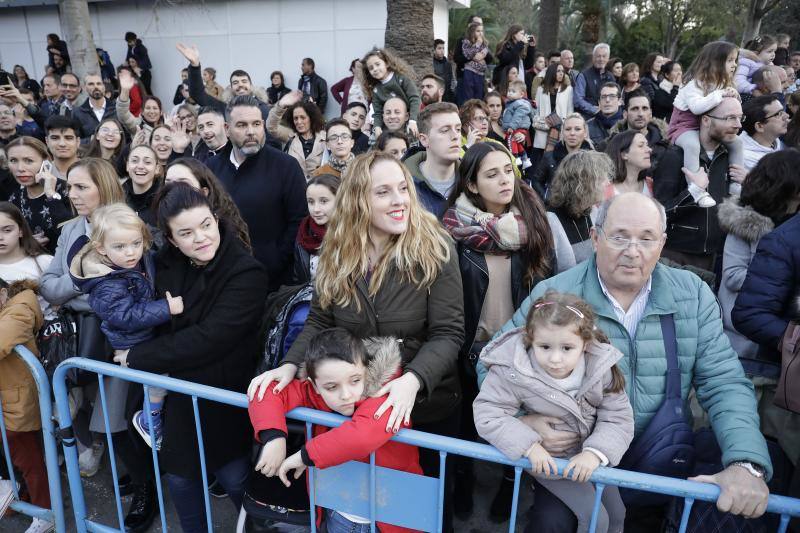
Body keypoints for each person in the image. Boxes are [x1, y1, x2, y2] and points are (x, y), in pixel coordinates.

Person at [493, 192, 772, 532]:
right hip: (576, 463)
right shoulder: (554, 295)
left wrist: (746, 461)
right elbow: (495, 365)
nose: (632, 251)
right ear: (596, 238)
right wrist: (525, 421)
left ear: (662, 243)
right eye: (620, 236)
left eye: (646, 239)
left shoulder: (692, 295)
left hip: (660, 458)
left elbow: (723, 382)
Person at [248, 151, 464, 532]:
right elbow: (319, 318)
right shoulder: (336, 252)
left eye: (403, 188)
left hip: (427, 406)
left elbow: (448, 333)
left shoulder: (436, 248)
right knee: (359, 501)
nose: (399, 200)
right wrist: (288, 366)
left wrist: (411, 381)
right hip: (357, 399)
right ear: (359, 200)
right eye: (384, 192)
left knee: (421, 513)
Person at [112, 183, 268, 533]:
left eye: (206, 225)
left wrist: (139, 355)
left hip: (223, 392)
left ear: (216, 218)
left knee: (235, 479)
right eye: (186, 232)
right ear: (171, 238)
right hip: (180, 396)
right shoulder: (164, 264)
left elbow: (211, 338)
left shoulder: (246, 271)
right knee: (182, 481)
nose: (200, 237)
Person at [441, 141, 558, 517]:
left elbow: (549, 286)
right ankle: (459, 488)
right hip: (469, 347)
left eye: (508, 170)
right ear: (472, 185)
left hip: (519, 351)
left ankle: (508, 493)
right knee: (462, 429)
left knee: (518, 426)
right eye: (492, 174)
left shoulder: (534, 224)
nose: (505, 180)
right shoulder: (453, 232)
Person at [39, 159, 157, 530]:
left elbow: (134, 296)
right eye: (69, 187)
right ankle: (141, 477)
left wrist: (88, 292)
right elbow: (50, 285)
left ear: (103, 187)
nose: (70, 195)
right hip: (83, 342)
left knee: (115, 424)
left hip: (123, 346)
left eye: (79, 187)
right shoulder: (71, 229)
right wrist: (86, 282)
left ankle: (146, 490)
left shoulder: (131, 227)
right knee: (98, 417)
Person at [475, 290, 634, 533]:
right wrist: (530, 446)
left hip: (590, 457)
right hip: (551, 463)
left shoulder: (600, 366)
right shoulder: (514, 369)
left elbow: (618, 417)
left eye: (567, 348)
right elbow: (488, 411)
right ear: (530, 339)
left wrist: (595, 453)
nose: (555, 358)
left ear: (586, 343)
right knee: (595, 520)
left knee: (617, 515)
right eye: (545, 346)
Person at [248, 328, 424, 533]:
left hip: (392, 517)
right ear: (314, 385)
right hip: (340, 511)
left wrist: (304, 456)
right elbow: (266, 392)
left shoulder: (388, 392)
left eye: (355, 380)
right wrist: (274, 437)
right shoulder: (313, 392)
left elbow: (362, 436)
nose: (346, 394)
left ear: (366, 371)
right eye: (332, 387)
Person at [67, 203, 182, 450]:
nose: (130, 252)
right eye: (119, 247)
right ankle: (149, 420)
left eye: (136, 243)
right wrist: (166, 308)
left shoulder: (135, 261)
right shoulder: (106, 282)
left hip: (147, 333)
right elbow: (125, 316)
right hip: (131, 340)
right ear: (101, 248)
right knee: (159, 381)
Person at [206, 95, 307, 289]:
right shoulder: (210, 169)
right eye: (242, 125)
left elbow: (299, 219)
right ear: (227, 130)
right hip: (222, 277)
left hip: (274, 282)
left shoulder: (285, 166)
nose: (251, 132)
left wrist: (276, 259)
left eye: (256, 124)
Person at [718, 149, 800, 369]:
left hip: (781, 332)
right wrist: (783, 277)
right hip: (744, 335)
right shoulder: (748, 220)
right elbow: (732, 275)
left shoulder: (793, 223)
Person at [656, 94, 747, 271]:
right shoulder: (676, 156)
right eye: (730, 118)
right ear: (705, 120)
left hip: (719, 255)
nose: (738, 124)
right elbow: (659, 213)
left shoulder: (731, 158)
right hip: (678, 257)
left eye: (740, 117)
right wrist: (695, 191)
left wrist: (749, 185)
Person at [0, 277, 53, 533]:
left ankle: (45, 512)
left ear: (2, 294)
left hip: (17, 398)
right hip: (9, 396)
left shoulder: (19, 309)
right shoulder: (12, 307)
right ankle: (22, 497)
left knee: (27, 456)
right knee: (16, 456)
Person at [668, 41, 744, 208]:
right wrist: (720, 94)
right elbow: (696, 108)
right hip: (684, 125)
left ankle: (736, 184)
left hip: (707, 126)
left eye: (735, 60)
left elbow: (727, 105)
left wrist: (732, 94)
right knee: (692, 146)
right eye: (730, 60)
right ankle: (697, 190)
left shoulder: (722, 84)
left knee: (737, 142)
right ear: (715, 61)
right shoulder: (694, 84)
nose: (734, 64)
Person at [163, 157, 250, 250]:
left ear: (204, 192)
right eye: (168, 184)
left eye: (183, 184)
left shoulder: (229, 235)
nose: (173, 189)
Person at [5, 137, 71, 254]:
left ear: (45, 162)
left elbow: (70, 231)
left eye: (28, 161)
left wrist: (51, 193)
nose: (20, 168)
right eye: (14, 160)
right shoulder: (14, 198)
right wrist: (24, 244)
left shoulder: (68, 190)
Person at [547, 151, 613, 265]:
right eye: (602, 178)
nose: (608, 182)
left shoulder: (593, 211)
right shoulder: (550, 220)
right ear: (584, 183)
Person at [176, 43, 271, 120]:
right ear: (231, 88)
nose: (240, 85)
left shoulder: (263, 109)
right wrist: (195, 65)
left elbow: (271, 141)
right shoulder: (224, 108)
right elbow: (198, 94)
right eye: (235, 83)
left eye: (244, 81)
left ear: (251, 86)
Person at [403, 102, 462, 218]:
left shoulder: (473, 180)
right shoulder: (404, 185)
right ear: (424, 140)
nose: (455, 136)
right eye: (445, 130)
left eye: (458, 129)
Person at [0, 202, 54, 319]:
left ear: (20, 231)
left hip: (45, 332)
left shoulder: (44, 262)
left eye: (7, 230)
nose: (1, 237)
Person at [360, 48, 421, 139]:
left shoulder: (401, 79)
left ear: (387, 63)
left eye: (377, 64)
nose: (375, 69)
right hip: (390, 125)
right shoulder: (376, 90)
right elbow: (378, 112)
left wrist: (413, 120)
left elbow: (415, 98)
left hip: (410, 120)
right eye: (371, 68)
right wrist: (377, 126)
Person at [606, 90, 669, 172]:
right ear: (625, 114)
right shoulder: (609, 146)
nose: (640, 114)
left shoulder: (666, 145)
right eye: (635, 109)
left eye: (645, 108)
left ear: (650, 114)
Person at [267, 90, 326, 177]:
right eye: (295, 118)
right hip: (294, 187)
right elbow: (271, 127)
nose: (299, 121)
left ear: (312, 118)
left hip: (319, 188)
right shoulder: (290, 136)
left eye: (303, 117)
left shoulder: (326, 137)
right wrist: (280, 105)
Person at [292, 174, 339, 285]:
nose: (316, 209)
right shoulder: (304, 232)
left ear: (340, 201)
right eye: (311, 202)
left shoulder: (354, 233)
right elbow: (298, 277)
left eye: (323, 201)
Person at [533, 113, 593, 198]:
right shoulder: (549, 156)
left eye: (577, 129)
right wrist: (546, 198)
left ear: (585, 133)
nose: (572, 133)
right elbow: (536, 181)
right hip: (555, 207)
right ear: (562, 133)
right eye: (568, 129)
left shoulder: (594, 159)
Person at [532, 63, 573, 156]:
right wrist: (544, 122)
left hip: (560, 129)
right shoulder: (540, 90)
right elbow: (536, 111)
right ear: (551, 72)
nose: (561, 73)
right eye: (558, 71)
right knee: (540, 160)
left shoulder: (568, 89)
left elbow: (570, 111)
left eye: (562, 71)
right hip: (543, 129)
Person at [739, 95, 787, 171]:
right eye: (778, 114)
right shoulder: (748, 161)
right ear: (759, 126)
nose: (786, 116)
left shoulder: (776, 142)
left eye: (783, 112)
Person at [604, 130, 654, 200]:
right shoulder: (602, 190)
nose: (649, 149)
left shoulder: (652, 185)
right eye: (641, 145)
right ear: (624, 154)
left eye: (647, 145)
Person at [116, 69, 164, 139]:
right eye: (148, 108)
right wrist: (125, 90)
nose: (151, 111)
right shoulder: (137, 126)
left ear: (161, 112)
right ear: (142, 112)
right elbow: (123, 113)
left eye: (155, 108)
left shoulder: (167, 125)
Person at [123, 144, 161, 229]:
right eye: (135, 161)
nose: (140, 166)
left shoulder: (164, 200)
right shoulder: (117, 197)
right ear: (127, 166)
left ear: (157, 169)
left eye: (147, 162)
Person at [574, 43, 615, 118]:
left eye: (604, 56)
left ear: (608, 59)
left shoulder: (611, 76)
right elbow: (578, 100)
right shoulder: (583, 76)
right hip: (589, 118)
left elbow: (615, 97)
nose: (601, 59)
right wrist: (594, 109)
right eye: (598, 56)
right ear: (593, 58)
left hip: (608, 118)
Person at [72, 73, 117, 140]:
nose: (96, 87)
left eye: (99, 83)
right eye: (91, 84)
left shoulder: (116, 109)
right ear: (84, 88)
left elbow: (125, 136)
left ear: (103, 87)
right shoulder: (78, 113)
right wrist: (92, 139)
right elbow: (76, 140)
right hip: (90, 149)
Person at [502, 80, 536, 169]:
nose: (509, 93)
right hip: (516, 127)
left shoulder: (520, 104)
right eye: (509, 91)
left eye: (513, 91)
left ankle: (515, 158)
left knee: (510, 140)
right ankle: (525, 159)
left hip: (516, 127)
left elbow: (517, 117)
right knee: (517, 143)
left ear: (521, 94)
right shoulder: (512, 103)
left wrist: (511, 127)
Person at [586, 82, 623, 149]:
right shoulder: (587, 127)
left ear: (619, 101)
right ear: (599, 102)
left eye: (612, 96)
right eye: (603, 97)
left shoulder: (627, 124)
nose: (607, 100)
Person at [461, 22, 491, 103]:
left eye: (482, 31)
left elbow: (484, 53)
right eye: (478, 31)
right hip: (469, 72)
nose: (480, 33)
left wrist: (480, 55)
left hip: (480, 73)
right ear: (472, 32)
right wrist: (477, 44)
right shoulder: (466, 42)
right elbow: (468, 55)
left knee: (479, 97)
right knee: (469, 97)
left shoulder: (484, 43)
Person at [43, 115, 80, 180]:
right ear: (47, 141)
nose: (62, 144)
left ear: (78, 141)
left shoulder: (92, 171)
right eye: (55, 138)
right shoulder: (41, 172)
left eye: (68, 138)